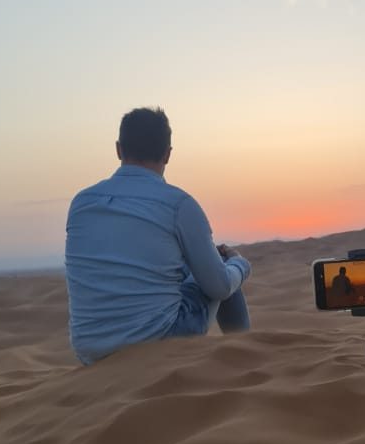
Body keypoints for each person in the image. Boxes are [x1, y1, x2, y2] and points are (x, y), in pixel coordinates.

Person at [65, 107, 251, 364]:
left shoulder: (81, 204)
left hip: (90, 352)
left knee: (189, 266)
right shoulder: (178, 204)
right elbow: (217, 287)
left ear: (118, 149)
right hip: (156, 342)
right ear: (168, 154)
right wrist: (240, 264)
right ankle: (247, 355)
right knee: (222, 269)